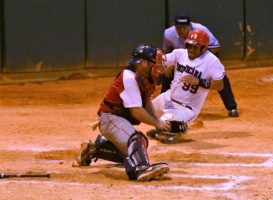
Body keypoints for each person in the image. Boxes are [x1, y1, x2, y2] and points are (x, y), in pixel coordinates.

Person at [73, 44, 170, 181]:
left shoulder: (147, 78)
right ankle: (141, 169)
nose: (159, 67)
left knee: (138, 148)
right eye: (156, 63)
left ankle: (94, 149)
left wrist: (159, 123)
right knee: (137, 140)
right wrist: (157, 124)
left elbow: (147, 104)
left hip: (117, 120)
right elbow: (136, 111)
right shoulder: (129, 77)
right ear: (144, 63)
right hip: (109, 118)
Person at [148, 29, 225, 141]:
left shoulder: (212, 62)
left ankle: (176, 127)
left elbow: (220, 85)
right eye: (189, 45)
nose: (190, 49)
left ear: (203, 48)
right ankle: (165, 128)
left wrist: (199, 81)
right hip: (168, 97)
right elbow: (162, 63)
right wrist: (157, 63)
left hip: (186, 108)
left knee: (164, 135)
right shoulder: (179, 54)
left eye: (195, 47)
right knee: (143, 110)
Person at [161, 12, 239, 117]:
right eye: (179, 27)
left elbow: (215, 47)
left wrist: (202, 63)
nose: (182, 30)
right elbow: (168, 51)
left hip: (205, 54)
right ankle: (164, 106)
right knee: (168, 74)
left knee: (220, 77)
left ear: (189, 25)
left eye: (184, 27)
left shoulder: (201, 30)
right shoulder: (168, 34)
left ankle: (232, 107)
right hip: (182, 57)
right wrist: (171, 66)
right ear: (174, 26)